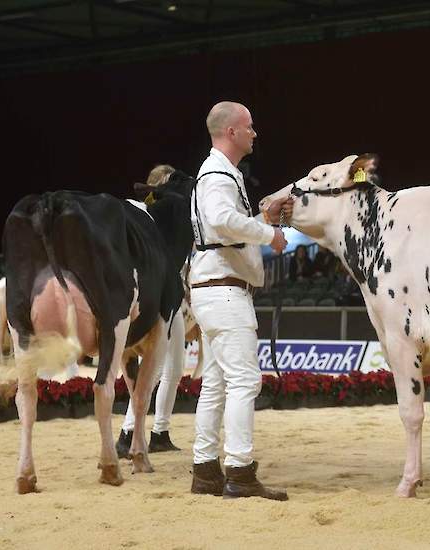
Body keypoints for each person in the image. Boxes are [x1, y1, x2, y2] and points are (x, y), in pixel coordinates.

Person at [189, 100, 292, 500]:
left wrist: (263, 220)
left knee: (216, 383)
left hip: (213, 290)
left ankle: (205, 470)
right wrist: (269, 234)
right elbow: (220, 220)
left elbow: (225, 227)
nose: (254, 133)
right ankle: (240, 470)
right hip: (225, 291)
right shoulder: (217, 174)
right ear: (231, 131)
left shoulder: (218, 172)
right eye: (249, 126)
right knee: (245, 381)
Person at [116, 164, 189, 456]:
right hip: (154, 295)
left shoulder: (174, 209)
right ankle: (127, 432)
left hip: (174, 292)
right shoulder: (149, 213)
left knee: (176, 366)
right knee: (154, 369)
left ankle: (160, 430)